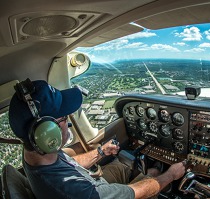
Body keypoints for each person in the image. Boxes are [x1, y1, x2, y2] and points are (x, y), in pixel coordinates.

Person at [8, 79, 186, 199]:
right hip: (94, 190)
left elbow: (70, 163)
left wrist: (101, 151)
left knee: (123, 164)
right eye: (64, 118)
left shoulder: (38, 152)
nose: (69, 122)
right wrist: (171, 174)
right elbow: (131, 193)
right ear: (48, 133)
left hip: (92, 182)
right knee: (154, 174)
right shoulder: (72, 191)